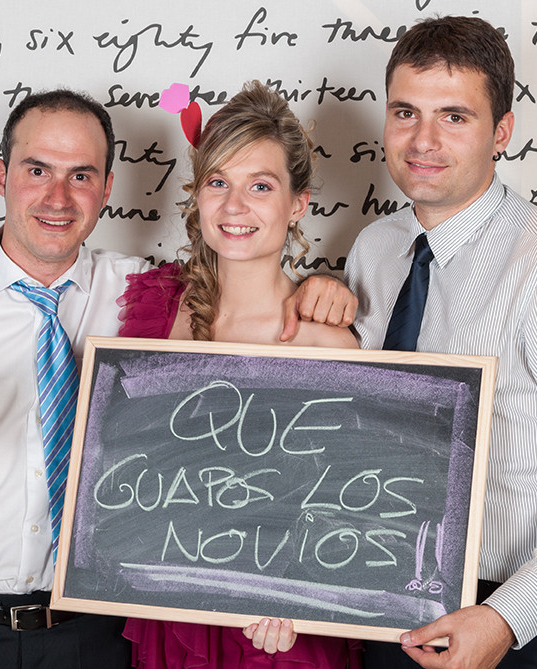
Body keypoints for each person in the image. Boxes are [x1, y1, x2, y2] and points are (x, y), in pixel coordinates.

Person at [0, 88, 356, 668]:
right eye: (37, 170)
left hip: (101, 635)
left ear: (107, 189)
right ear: (2, 175)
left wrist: (321, 290)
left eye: (81, 175)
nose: (58, 196)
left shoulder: (138, 293)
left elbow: (335, 484)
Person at [330, 15, 537, 669]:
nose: (423, 140)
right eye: (405, 112)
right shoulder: (376, 248)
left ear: (501, 131)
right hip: (382, 606)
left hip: (517, 627)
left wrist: (505, 618)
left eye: (455, 116)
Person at [118, 80, 361, 669]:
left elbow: (359, 499)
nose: (234, 207)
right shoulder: (155, 309)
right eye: (218, 183)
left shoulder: (328, 336)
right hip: (173, 609)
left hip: (283, 629)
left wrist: (296, 593)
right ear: (196, 195)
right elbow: (122, 471)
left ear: (297, 203)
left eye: (261, 186)